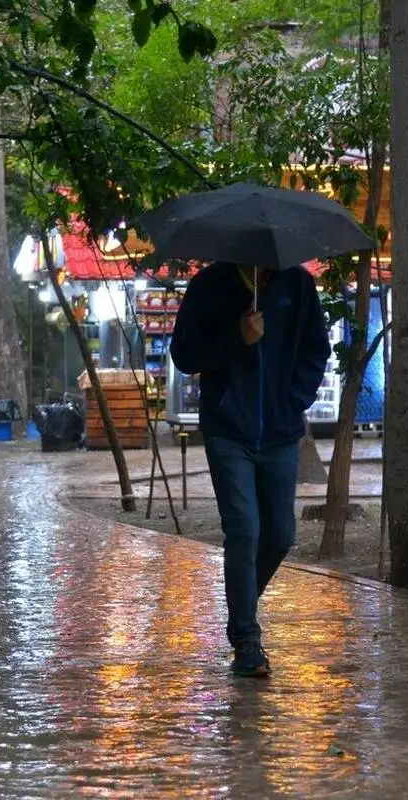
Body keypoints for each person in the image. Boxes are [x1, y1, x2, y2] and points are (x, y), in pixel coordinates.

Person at [170, 262, 330, 677]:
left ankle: (240, 607)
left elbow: (317, 350)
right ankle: (246, 640)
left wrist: (295, 398)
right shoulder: (210, 285)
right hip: (228, 430)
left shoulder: (298, 285)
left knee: (280, 534)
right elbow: (184, 355)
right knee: (243, 528)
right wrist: (236, 339)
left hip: (280, 432)